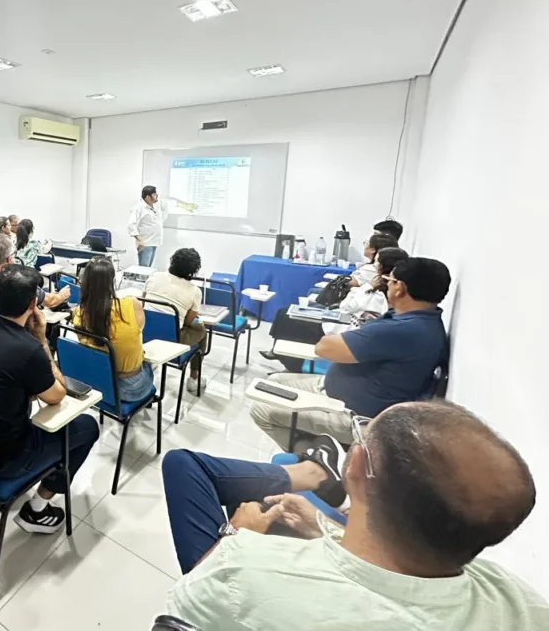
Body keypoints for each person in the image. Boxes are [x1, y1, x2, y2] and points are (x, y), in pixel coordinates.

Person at [163, 401, 547, 629]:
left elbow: (182, 608)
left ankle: (309, 473)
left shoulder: (240, 567)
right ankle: (309, 474)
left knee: (183, 465)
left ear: (357, 468)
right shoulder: (524, 607)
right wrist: (323, 529)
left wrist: (235, 533)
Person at [0, 264, 99, 533]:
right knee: (87, 427)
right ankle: (37, 509)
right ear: (33, 304)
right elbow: (57, 395)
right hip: (4, 458)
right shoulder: (28, 349)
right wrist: (42, 341)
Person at [251, 257, 450, 447]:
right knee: (273, 381)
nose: (386, 284)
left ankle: (325, 462)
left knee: (262, 411)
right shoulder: (420, 321)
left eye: (390, 281)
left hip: (353, 416)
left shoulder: (404, 330)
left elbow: (324, 348)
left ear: (400, 288)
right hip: (337, 390)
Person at [263, 246, 408, 371]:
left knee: (290, 319)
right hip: (342, 319)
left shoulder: (378, 291)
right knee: (289, 313)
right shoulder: (380, 287)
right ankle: (283, 355)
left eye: (377, 261)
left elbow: (348, 305)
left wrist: (367, 287)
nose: (374, 264)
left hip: (343, 329)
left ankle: (292, 363)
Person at [71, 258, 156, 403]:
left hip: (97, 382)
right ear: (112, 281)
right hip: (129, 388)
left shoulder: (78, 313)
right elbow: (139, 330)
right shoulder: (131, 304)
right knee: (149, 363)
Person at [144, 248, 208, 388]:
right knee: (202, 329)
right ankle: (193, 379)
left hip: (144, 333)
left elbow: (143, 302)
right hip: (172, 340)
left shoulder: (155, 276)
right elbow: (188, 322)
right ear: (194, 270)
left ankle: (149, 364)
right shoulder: (195, 291)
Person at [0, 234, 70, 310]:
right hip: (18, 335)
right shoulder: (21, 285)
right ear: (9, 259)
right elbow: (50, 301)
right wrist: (62, 295)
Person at [127, 185, 196, 267]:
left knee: (148, 268)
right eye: (154, 195)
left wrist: (186, 206)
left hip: (154, 242)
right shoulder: (138, 208)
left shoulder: (156, 203)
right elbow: (131, 225)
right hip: (145, 243)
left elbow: (170, 203)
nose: (157, 196)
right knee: (143, 268)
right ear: (148, 197)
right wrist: (140, 240)